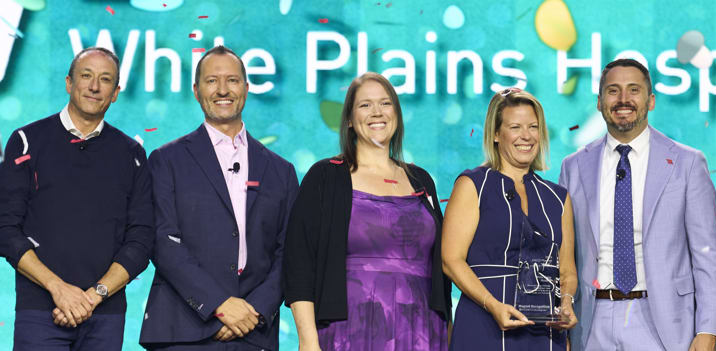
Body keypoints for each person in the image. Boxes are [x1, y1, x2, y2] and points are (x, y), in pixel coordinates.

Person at [139, 45, 298, 351]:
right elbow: (162, 240)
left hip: (254, 333)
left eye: (232, 80)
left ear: (247, 88)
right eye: (212, 81)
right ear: (197, 91)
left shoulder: (281, 171)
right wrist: (219, 306)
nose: (222, 90)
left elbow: (289, 252)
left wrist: (253, 312)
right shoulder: (166, 160)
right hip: (183, 332)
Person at [559, 58, 716, 351]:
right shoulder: (574, 166)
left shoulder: (687, 163)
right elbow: (564, 253)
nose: (624, 99)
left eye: (633, 90)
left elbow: (707, 254)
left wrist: (708, 329)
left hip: (665, 322)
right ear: (599, 102)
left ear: (651, 101)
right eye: (613, 91)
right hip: (591, 322)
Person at [283, 72, 451, 351]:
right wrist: (307, 339)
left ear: (396, 114)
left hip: (422, 329)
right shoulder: (325, 177)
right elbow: (298, 263)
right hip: (348, 330)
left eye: (385, 104)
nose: (377, 112)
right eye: (365, 105)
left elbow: (440, 270)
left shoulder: (422, 180)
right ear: (349, 119)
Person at [0, 47, 154, 350]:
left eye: (105, 79)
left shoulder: (132, 154)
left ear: (116, 93)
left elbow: (141, 239)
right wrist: (58, 289)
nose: (94, 86)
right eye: (86, 76)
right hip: (39, 311)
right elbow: (5, 230)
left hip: (105, 316)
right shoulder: (26, 141)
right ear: (69, 83)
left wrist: (93, 296)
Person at [443, 87, 578, 350]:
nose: (526, 136)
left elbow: (567, 271)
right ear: (496, 134)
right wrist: (492, 305)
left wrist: (567, 303)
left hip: (543, 334)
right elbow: (450, 260)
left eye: (533, 127)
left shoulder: (558, 197)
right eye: (515, 127)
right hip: (483, 326)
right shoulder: (473, 184)